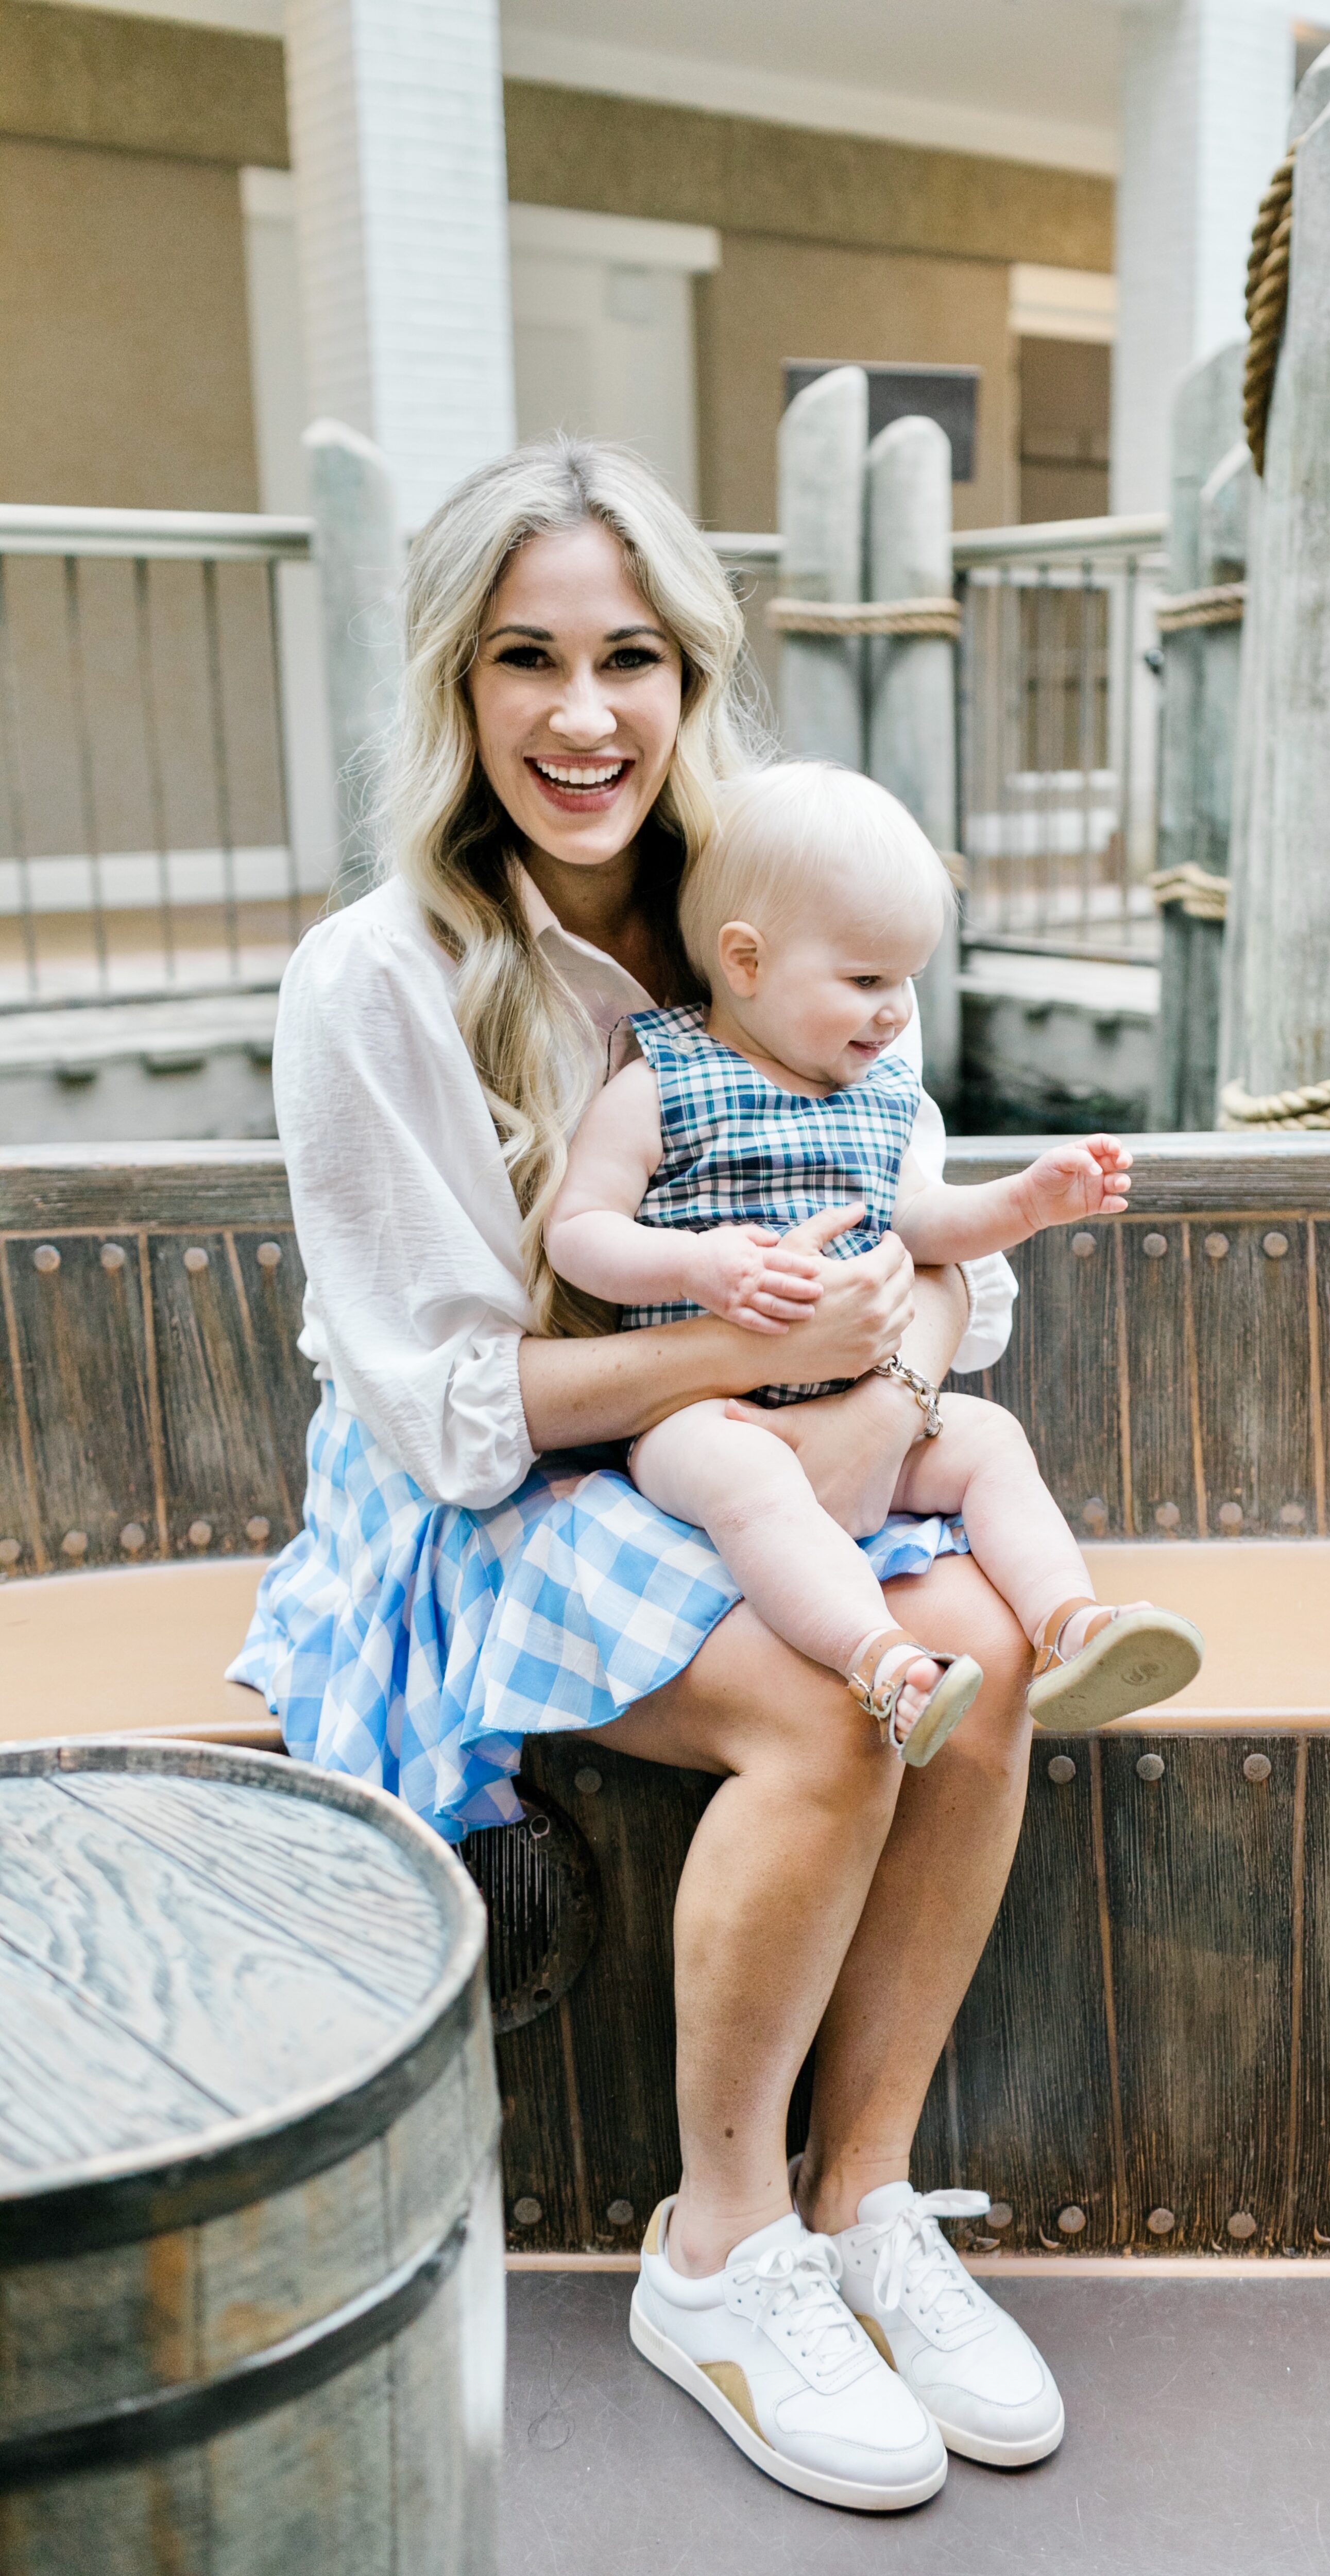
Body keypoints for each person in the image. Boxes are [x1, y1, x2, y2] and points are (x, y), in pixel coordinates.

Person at [232, 436, 1070, 2511]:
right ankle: (714, 2247)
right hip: (492, 1494)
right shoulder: (383, 977)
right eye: (526, 658)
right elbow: (442, 1406)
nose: (584, 716)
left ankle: (864, 2199)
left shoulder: (775, 916)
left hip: (777, 1446)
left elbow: (930, 1246)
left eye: (629, 658)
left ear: (690, 681)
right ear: (456, 684)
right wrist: (745, 1349)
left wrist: (902, 1339)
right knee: (825, 1697)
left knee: (968, 1643)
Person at [547, 760, 1204, 1765]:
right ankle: (884, 1662)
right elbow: (579, 1233)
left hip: (861, 1406)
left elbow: (921, 1225)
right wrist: (695, 1265)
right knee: (746, 1479)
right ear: (744, 960)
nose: (893, 1012)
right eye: (863, 981)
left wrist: (1024, 1202)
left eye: (904, 980)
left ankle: (1072, 1626)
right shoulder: (659, 1084)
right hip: (704, 1415)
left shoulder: (876, 1094)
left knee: (988, 1441)